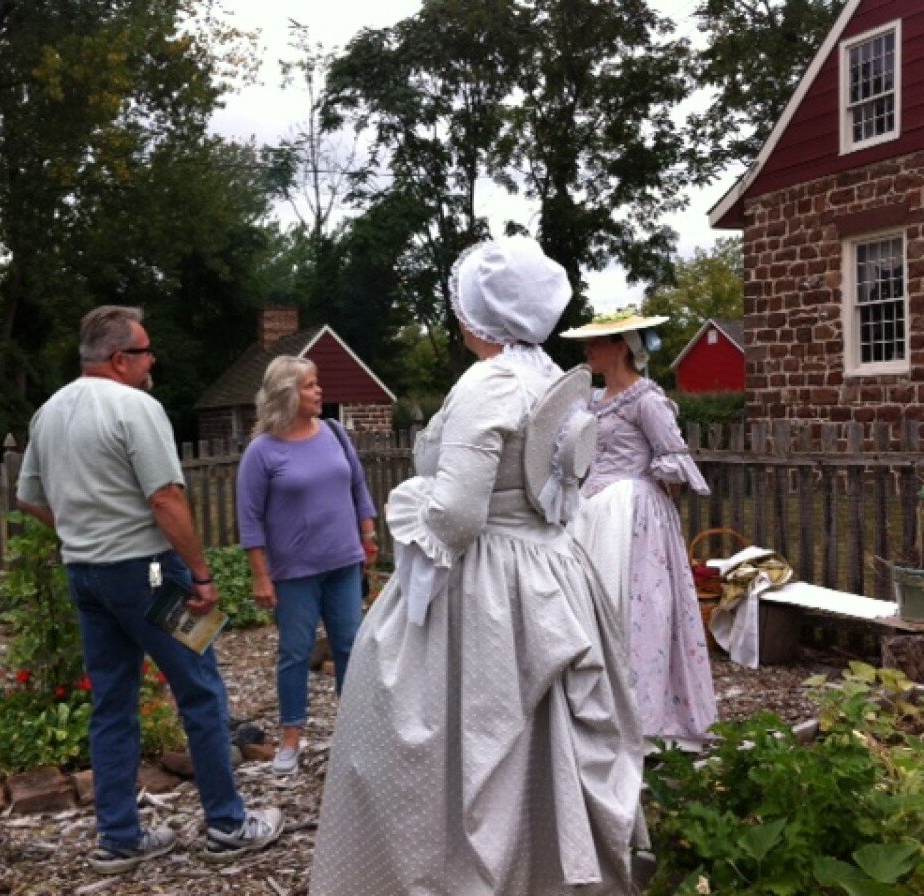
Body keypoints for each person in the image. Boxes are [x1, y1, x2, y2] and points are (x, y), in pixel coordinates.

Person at [309, 237, 646, 896]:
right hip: (553, 570)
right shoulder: (554, 376)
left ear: (479, 312)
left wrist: (409, 511)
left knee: (468, 740)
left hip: (489, 582)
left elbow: (458, 513)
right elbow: (560, 489)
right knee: (547, 744)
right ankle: (548, 868)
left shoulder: (488, 383)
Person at [15, 305, 283, 874]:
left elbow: (29, 498)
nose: (152, 359)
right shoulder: (137, 408)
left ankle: (119, 837)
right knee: (202, 692)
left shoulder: (49, 412)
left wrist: (81, 532)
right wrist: (204, 577)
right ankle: (227, 824)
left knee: (112, 706)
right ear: (118, 360)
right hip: (152, 575)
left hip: (86, 575)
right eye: (144, 351)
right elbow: (165, 499)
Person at [561, 312, 718, 748]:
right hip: (592, 514)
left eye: (596, 345)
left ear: (620, 347)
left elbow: (674, 458)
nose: (587, 352)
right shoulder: (588, 400)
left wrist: (642, 488)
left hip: (633, 517)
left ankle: (647, 720)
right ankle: (597, 716)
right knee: (594, 611)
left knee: (638, 611)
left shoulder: (646, 399)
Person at [235, 355, 378, 777]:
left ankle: (355, 736)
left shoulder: (334, 433)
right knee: (295, 654)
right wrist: (261, 575)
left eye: (317, 384)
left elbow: (358, 488)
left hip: (344, 564)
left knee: (351, 648)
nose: (319, 391)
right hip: (295, 572)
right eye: (311, 385)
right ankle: (291, 739)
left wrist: (368, 538)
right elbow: (249, 518)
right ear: (287, 394)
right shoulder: (262, 452)